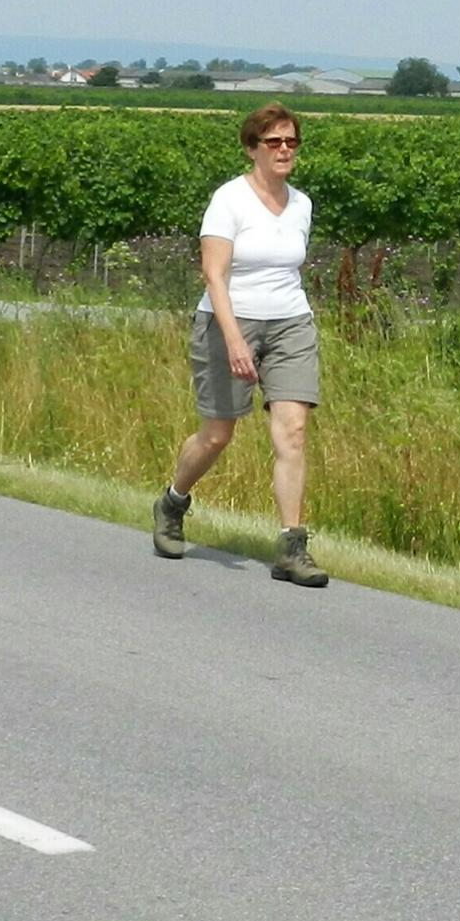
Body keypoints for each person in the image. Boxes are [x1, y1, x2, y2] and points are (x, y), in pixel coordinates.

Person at [148, 103, 333, 588]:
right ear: (252, 148)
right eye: (274, 142)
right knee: (217, 434)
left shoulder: (301, 204)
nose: (284, 150)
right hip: (227, 321)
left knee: (292, 432)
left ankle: (292, 547)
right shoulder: (229, 200)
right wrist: (234, 341)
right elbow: (214, 274)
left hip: (290, 321)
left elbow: (288, 268)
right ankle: (172, 502)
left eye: (291, 141)